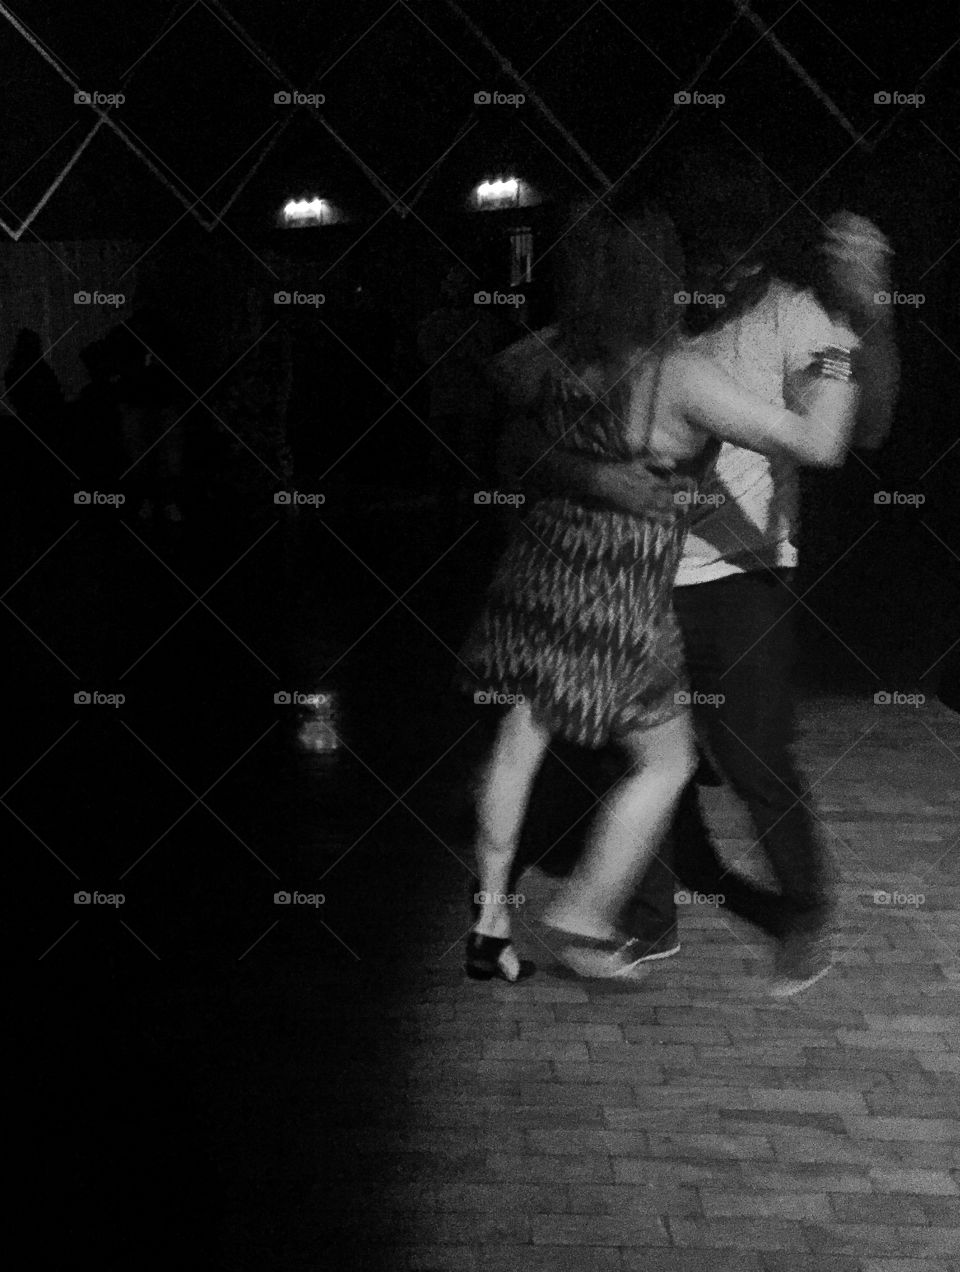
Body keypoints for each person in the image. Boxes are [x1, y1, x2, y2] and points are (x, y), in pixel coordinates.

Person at [460, 201, 861, 984]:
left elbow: (503, 422)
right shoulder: (677, 374)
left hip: (537, 579)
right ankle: (583, 912)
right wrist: (840, 343)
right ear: (662, 278)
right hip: (620, 596)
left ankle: (489, 925)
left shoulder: (558, 354)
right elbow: (822, 442)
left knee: (516, 747)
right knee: (666, 763)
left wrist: (579, 468)